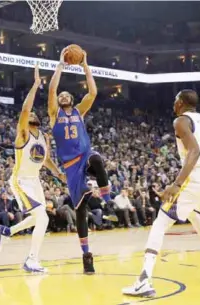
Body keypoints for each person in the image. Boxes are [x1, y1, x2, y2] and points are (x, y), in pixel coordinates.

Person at [122, 90, 200, 297]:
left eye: (175, 100)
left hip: (198, 178)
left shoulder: (181, 121)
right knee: (193, 213)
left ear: (181, 103)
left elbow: (195, 151)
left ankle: (143, 281)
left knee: (159, 222)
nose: (173, 104)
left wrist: (176, 184)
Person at [48, 47, 113, 274]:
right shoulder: (54, 114)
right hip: (71, 166)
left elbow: (92, 93)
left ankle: (108, 201)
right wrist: (60, 65)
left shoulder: (78, 112)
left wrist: (85, 65)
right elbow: (52, 88)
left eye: (67, 95)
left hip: (85, 157)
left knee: (97, 159)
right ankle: (86, 255)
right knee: (81, 209)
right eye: (60, 95)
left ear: (72, 100)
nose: (63, 95)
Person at [0, 65, 66, 273]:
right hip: (20, 181)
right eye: (31, 113)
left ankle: (7, 231)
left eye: (36, 113)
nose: (33, 113)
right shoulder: (23, 133)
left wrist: (58, 173)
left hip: (34, 180)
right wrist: (36, 85)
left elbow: (45, 160)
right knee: (43, 218)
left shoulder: (43, 136)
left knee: (38, 217)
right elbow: (26, 109)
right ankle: (31, 260)